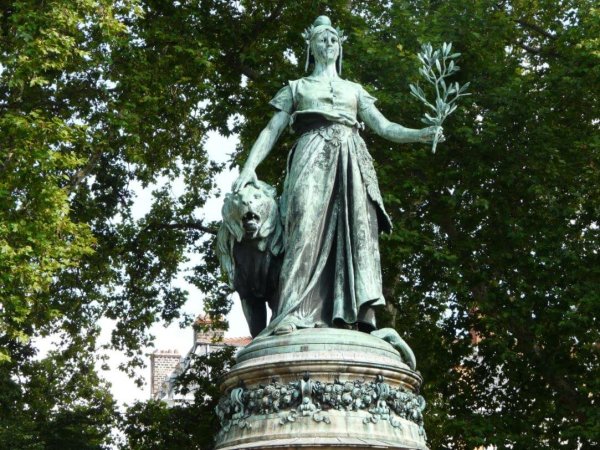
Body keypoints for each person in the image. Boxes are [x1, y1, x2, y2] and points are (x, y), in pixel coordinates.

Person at [232, 16, 442, 336]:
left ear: (339, 47)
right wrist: (249, 167)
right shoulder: (297, 88)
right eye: (322, 39)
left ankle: (355, 316)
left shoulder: (354, 90)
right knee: (302, 227)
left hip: (351, 159)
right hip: (311, 152)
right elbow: (272, 129)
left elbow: (384, 127)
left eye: (333, 39)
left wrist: (422, 134)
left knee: (358, 234)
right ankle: (291, 311)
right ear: (311, 47)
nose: (328, 44)